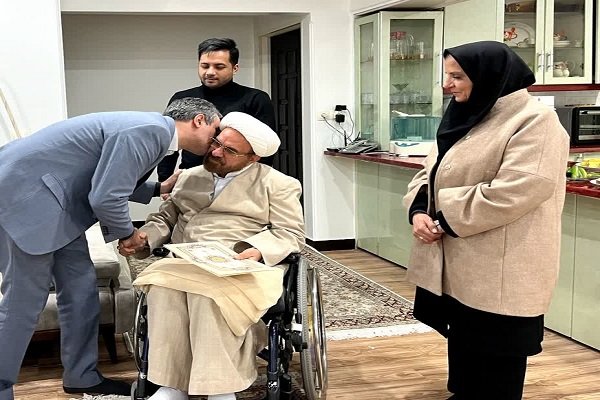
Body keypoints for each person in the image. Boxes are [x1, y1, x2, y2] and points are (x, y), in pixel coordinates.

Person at [0, 97, 221, 400]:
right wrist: (128, 234)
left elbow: (108, 174)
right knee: (23, 304)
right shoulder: (150, 131)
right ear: (199, 120)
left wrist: (158, 189)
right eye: (216, 130)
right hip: (26, 203)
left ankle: (82, 376)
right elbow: (105, 197)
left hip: (56, 207)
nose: (216, 142)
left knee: (81, 292)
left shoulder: (150, 130)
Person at [402, 41, 569, 400]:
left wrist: (442, 218)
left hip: (503, 262)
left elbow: (519, 189)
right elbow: (430, 170)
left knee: (498, 348)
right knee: (465, 335)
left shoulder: (535, 121)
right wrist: (419, 211)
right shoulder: (467, 113)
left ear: (490, 77)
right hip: (462, 257)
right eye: (447, 75)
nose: (447, 84)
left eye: (457, 76)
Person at [119, 112, 304, 400]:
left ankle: (220, 391)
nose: (216, 151)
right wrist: (145, 238)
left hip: (239, 263)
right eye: (217, 142)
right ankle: (173, 386)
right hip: (187, 258)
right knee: (162, 289)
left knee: (207, 296)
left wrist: (257, 250)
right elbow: (165, 219)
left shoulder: (277, 184)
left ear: (253, 158)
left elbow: (290, 233)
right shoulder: (189, 177)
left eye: (229, 150)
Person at [157, 37, 277, 181]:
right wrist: (164, 180)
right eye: (205, 66)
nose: (210, 72)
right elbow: (168, 142)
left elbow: (265, 146)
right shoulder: (182, 98)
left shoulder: (255, 99)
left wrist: (256, 182)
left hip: (238, 179)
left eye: (219, 67)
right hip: (191, 177)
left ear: (235, 68)